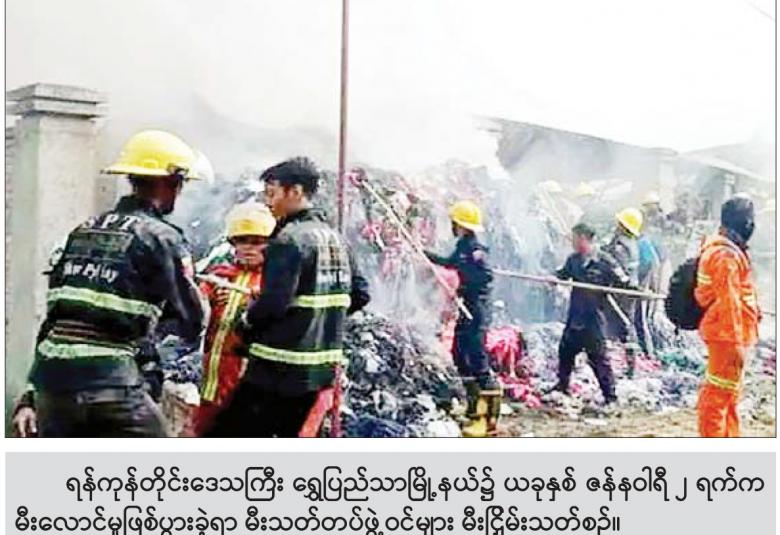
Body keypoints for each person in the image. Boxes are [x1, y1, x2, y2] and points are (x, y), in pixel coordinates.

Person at [12, 130, 206, 438]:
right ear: (170, 181)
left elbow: (55, 319)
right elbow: (191, 320)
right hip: (111, 384)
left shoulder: (81, 232)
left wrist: (30, 396)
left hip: (52, 386)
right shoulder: (162, 237)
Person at [208, 157, 370, 437]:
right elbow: (360, 294)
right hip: (317, 372)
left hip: (276, 369)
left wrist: (245, 321)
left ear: (295, 192)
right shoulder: (336, 239)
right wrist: (320, 322)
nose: (268, 203)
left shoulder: (288, 240)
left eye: (272, 194)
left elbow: (273, 304)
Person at [191, 203, 276, 436]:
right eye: (242, 241)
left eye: (257, 242)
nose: (249, 248)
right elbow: (195, 314)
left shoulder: (273, 284)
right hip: (213, 378)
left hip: (248, 381)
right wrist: (206, 299)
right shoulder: (219, 276)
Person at [425, 200, 500, 437]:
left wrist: (465, 282)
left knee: (478, 360)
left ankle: (488, 421)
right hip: (466, 307)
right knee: (459, 354)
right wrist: (427, 255)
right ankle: (473, 409)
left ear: (461, 225)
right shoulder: (462, 246)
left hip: (477, 310)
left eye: (454, 222)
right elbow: (451, 263)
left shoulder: (476, 251)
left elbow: (486, 276)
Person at [694, 195, 760, 438]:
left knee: (729, 394)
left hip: (730, 336)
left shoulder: (727, 250)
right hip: (727, 338)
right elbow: (729, 305)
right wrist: (736, 344)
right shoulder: (725, 256)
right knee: (718, 397)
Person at [549, 223, 635, 405]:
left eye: (574, 238)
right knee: (565, 352)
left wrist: (636, 290)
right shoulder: (573, 260)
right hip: (575, 316)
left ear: (583, 238)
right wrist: (553, 278)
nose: (572, 242)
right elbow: (563, 274)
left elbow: (624, 282)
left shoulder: (605, 261)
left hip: (594, 318)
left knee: (599, 359)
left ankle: (610, 397)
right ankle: (562, 385)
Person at [604, 207, 643, 377]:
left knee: (623, 326)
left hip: (621, 292)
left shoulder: (620, 247)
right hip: (629, 290)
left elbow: (616, 269)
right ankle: (628, 366)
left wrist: (604, 256)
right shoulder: (631, 243)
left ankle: (627, 367)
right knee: (627, 325)